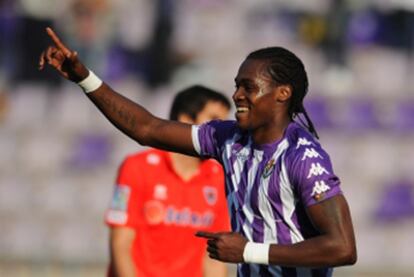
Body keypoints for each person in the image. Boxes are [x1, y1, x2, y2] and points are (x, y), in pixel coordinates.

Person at [39, 27, 357, 277]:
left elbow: (343, 248)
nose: (237, 95)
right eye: (237, 85)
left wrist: (249, 252)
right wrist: (84, 78)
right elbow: (146, 128)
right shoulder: (227, 138)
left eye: (248, 86)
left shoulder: (303, 156)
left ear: (282, 94)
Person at [105, 85, 231, 277]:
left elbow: (212, 259)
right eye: (214, 120)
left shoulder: (220, 176)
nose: (221, 130)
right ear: (186, 120)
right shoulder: (137, 167)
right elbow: (121, 244)